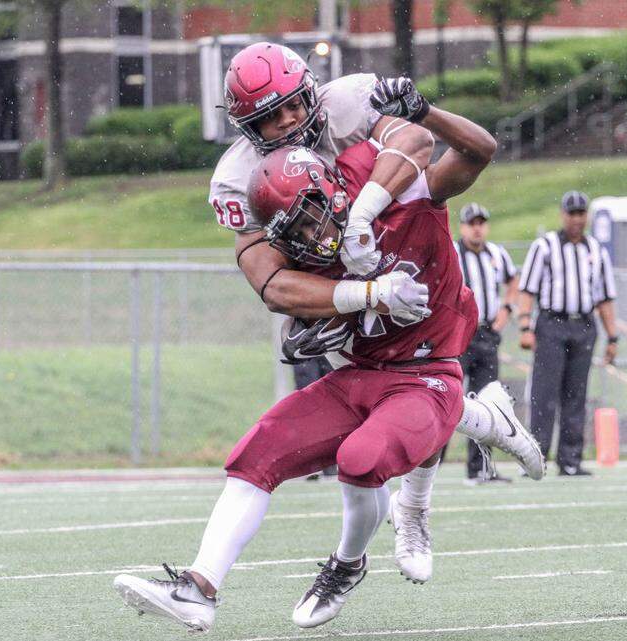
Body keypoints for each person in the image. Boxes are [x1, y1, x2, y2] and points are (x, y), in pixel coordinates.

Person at [113, 94, 498, 632]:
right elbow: (275, 288)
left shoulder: (391, 188)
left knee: (361, 459)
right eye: (294, 232)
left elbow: (465, 150)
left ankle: (348, 563)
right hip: (359, 375)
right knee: (258, 449)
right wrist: (357, 298)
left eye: (313, 218)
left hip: (428, 373)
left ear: (339, 192)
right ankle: (198, 590)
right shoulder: (296, 241)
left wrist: (411, 127)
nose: (312, 239)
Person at [204, 42, 545, 583]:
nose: (290, 122)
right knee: (393, 404)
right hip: (346, 289)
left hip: (395, 237)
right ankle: (481, 425)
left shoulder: (353, 113)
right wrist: (352, 295)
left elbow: (423, 141)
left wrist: (364, 211)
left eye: (294, 105)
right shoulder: (239, 179)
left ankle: (413, 510)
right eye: (271, 118)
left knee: (417, 383)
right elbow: (269, 280)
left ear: (311, 92)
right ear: (248, 128)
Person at [516, 191, 619, 476]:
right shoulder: (545, 246)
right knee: (544, 394)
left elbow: (606, 298)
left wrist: (613, 337)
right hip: (552, 324)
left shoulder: (596, 250)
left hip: (584, 326)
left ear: (587, 216)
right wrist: (525, 326)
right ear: (563, 215)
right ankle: (536, 457)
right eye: (572, 213)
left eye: (581, 213)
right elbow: (527, 290)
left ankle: (570, 459)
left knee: (577, 394)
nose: (576, 219)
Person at [453, 202, 525, 484]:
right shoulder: (453, 253)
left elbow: (513, 280)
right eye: (472, 222)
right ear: (463, 227)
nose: (477, 228)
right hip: (459, 336)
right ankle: (428, 467)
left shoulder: (497, 253)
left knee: (487, 404)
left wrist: (506, 310)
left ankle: (480, 468)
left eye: (481, 222)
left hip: (486, 335)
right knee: (449, 400)